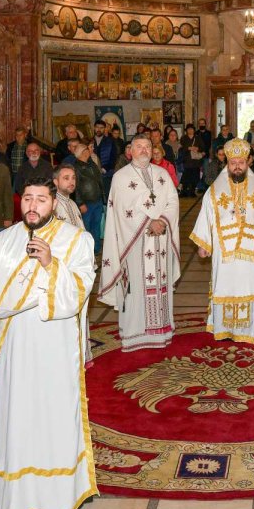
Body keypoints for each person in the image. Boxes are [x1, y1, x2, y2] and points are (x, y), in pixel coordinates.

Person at [0, 178, 97, 509]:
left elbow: (80, 290)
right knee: (20, 414)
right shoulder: (6, 240)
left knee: (54, 413)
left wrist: (51, 264)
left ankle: (62, 496)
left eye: (41, 200)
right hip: (18, 343)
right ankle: (21, 499)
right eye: (28, 199)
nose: (33, 206)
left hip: (56, 343)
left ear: (54, 203)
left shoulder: (77, 240)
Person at [98, 135, 181, 351]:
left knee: (160, 285)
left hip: (160, 241)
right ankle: (135, 333)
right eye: (139, 147)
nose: (144, 150)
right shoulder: (121, 177)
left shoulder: (162, 174)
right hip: (134, 242)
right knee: (136, 286)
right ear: (130, 151)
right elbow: (121, 211)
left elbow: (173, 201)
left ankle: (162, 329)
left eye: (147, 147)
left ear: (153, 150)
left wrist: (162, 220)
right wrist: (148, 222)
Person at [191, 137, 254, 343]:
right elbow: (206, 214)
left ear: (247, 163)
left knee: (251, 285)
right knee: (225, 285)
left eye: (241, 163)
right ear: (227, 164)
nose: (237, 167)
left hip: (251, 250)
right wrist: (204, 243)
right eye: (233, 163)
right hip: (224, 251)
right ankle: (224, 329)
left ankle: (250, 331)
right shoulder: (214, 190)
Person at [70, 143, 105, 250]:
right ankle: (87, 250)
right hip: (86, 202)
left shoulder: (91, 163)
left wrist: (103, 197)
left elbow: (99, 180)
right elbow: (75, 187)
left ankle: (97, 249)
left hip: (97, 199)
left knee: (96, 226)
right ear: (83, 152)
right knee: (86, 227)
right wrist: (80, 203)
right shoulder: (76, 167)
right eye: (87, 148)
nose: (90, 150)